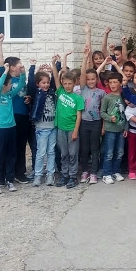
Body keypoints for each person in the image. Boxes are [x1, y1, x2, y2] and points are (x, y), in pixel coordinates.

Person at [0, 34, 33, 184]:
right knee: (10, 146)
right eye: (19, 65)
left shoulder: (21, 79)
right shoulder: (6, 79)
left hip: (23, 115)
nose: (21, 66)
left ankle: (20, 172)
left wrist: (29, 98)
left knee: (21, 145)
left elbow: (24, 90)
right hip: (12, 116)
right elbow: (0, 63)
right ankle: (5, 173)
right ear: (11, 67)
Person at [0, 63, 26, 194]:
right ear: (4, 85)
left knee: (11, 155)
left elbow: (20, 85)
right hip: (0, 130)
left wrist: (23, 72)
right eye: (9, 84)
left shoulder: (9, 95)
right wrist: (5, 71)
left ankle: (9, 180)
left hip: (11, 128)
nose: (10, 86)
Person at [51, 56, 84, 189]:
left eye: (70, 83)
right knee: (63, 153)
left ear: (74, 83)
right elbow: (55, 78)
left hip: (72, 129)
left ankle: (73, 176)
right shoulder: (60, 92)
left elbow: (79, 115)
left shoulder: (77, 98)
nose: (67, 86)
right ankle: (64, 175)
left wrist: (75, 131)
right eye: (65, 83)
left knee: (73, 153)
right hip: (61, 128)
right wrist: (53, 64)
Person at [78, 46, 107, 185]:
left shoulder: (101, 93)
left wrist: (103, 126)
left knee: (95, 149)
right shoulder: (83, 89)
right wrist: (85, 59)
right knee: (85, 149)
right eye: (88, 79)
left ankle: (94, 172)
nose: (90, 81)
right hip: (84, 122)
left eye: (93, 79)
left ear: (97, 79)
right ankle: (85, 171)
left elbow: (103, 110)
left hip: (96, 123)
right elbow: (82, 74)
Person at [29, 60, 58, 187]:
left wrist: (55, 66)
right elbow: (30, 84)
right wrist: (32, 68)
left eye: (47, 82)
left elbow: (55, 82)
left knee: (51, 152)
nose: (46, 85)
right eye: (43, 83)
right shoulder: (37, 93)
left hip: (52, 127)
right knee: (41, 153)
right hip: (41, 128)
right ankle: (38, 175)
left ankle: (50, 174)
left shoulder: (51, 93)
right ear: (38, 84)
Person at [100, 72, 127, 185]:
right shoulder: (107, 97)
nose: (112, 84)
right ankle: (106, 173)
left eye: (115, 82)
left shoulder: (123, 96)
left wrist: (126, 128)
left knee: (120, 152)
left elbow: (126, 114)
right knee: (109, 153)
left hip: (121, 129)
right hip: (110, 129)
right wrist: (109, 118)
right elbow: (102, 112)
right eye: (110, 82)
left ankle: (116, 171)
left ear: (120, 83)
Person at [124, 90, 136, 180]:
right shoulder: (127, 110)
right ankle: (132, 170)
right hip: (133, 133)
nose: (128, 100)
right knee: (132, 152)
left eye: (130, 97)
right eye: (126, 98)